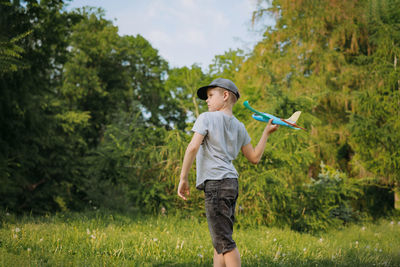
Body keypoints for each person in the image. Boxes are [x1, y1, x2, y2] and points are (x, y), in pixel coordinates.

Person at [177, 78, 279, 267]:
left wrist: (183, 178)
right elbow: (254, 157)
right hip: (231, 183)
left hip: (216, 183)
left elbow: (192, 148)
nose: (206, 101)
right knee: (220, 241)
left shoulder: (206, 118)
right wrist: (266, 133)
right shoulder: (240, 126)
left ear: (225, 96)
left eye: (210, 95)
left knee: (224, 242)